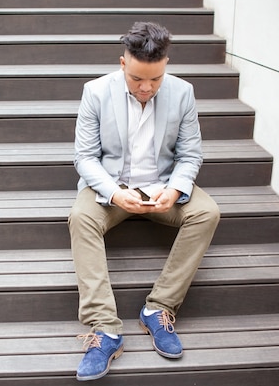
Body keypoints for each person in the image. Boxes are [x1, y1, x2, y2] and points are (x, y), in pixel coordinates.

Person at [69, 21, 220, 381]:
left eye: (155, 78)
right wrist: (115, 192)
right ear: (123, 64)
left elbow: (190, 155)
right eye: (138, 79)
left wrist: (176, 190)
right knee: (80, 218)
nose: (147, 87)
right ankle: (105, 329)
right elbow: (85, 158)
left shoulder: (182, 93)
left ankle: (159, 308)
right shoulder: (96, 92)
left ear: (165, 65)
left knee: (207, 212)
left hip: (163, 186)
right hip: (113, 189)